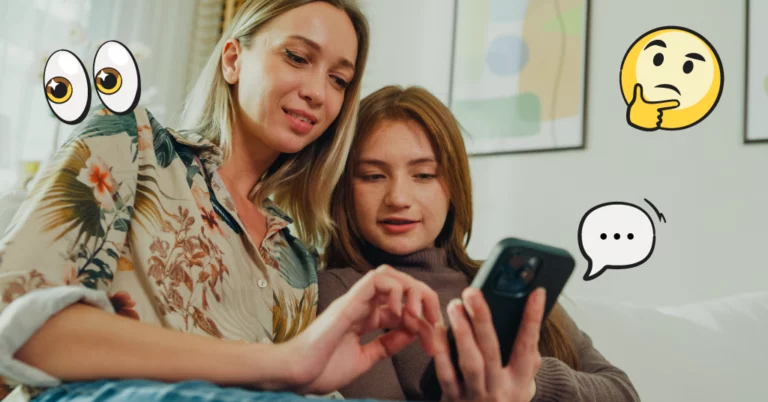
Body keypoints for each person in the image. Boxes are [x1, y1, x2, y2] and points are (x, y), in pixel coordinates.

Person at [0, 2, 443, 401]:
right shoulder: (132, 141)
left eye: (339, 79)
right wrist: (282, 363)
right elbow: (16, 321)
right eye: (297, 57)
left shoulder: (296, 259)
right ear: (233, 60)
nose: (317, 92)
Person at [318, 85, 642, 402]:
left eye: (424, 175)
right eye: (373, 176)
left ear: (454, 186)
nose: (399, 198)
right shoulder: (341, 290)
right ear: (344, 187)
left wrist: (527, 383)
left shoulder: (506, 277)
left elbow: (623, 392)